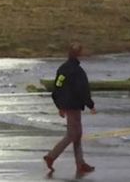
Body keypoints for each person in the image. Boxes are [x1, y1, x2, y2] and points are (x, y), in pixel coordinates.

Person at [44, 43, 95, 175]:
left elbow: (57, 87)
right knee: (72, 135)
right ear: (79, 54)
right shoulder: (78, 72)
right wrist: (90, 105)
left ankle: (80, 163)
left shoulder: (63, 70)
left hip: (67, 105)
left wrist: (60, 105)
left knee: (77, 134)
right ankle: (51, 156)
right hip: (74, 106)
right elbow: (83, 90)